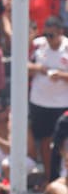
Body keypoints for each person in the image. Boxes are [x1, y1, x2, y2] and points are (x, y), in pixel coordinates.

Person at [29, 16, 68, 178]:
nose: (48, 39)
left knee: (61, 142)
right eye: (46, 35)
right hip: (40, 102)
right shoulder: (38, 45)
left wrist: (61, 75)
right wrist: (39, 68)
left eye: (52, 35)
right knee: (45, 142)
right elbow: (22, 65)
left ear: (61, 32)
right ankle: (48, 177)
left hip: (62, 103)